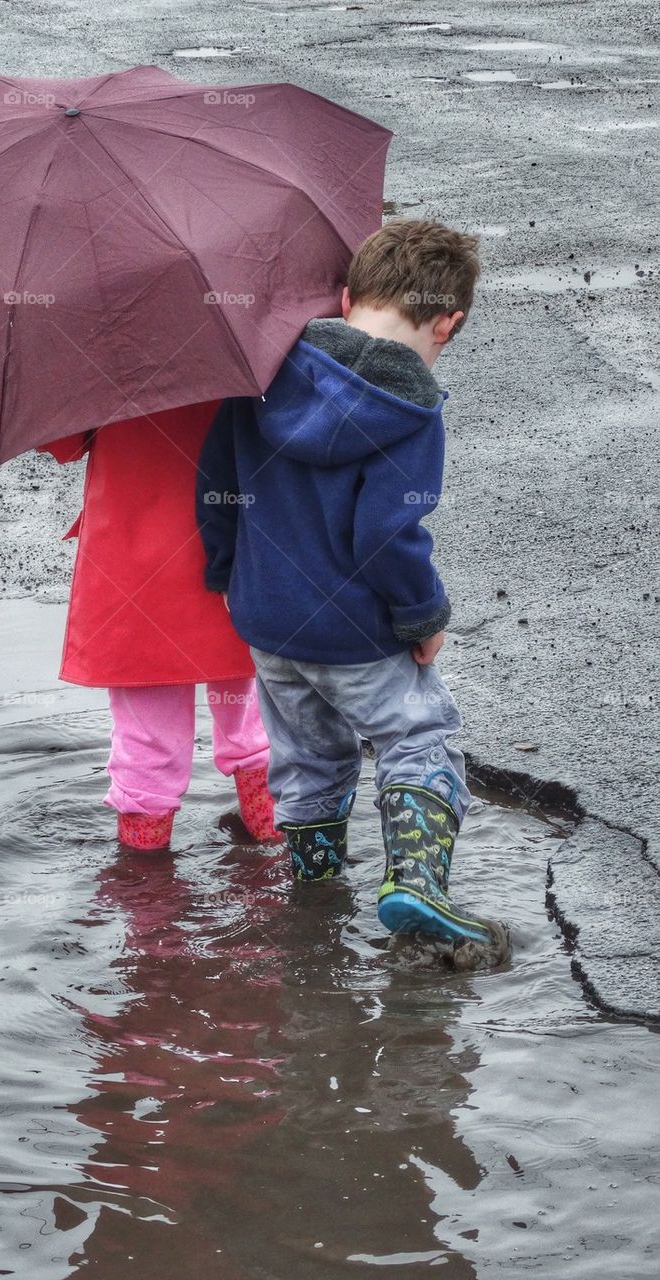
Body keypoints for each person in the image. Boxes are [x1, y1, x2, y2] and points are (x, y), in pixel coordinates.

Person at [196, 219, 500, 946]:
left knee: (309, 757)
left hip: (268, 623)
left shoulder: (262, 372)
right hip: (356, 632)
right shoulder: (410, 410)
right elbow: (387, 536)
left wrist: (227, 573)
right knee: (420, 735)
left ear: (345, 296)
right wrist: (422, 616)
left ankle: (314, 891)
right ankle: (416, 884)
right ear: (446, 324)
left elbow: (213, 481)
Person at [38, 402, 276, 851]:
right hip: (241, 552)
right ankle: (275, 871)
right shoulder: (261, 337)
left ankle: (147, 900)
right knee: (260, 725)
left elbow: (60, 436)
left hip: (135, 570)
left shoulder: (101, 346)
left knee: (145, 744)